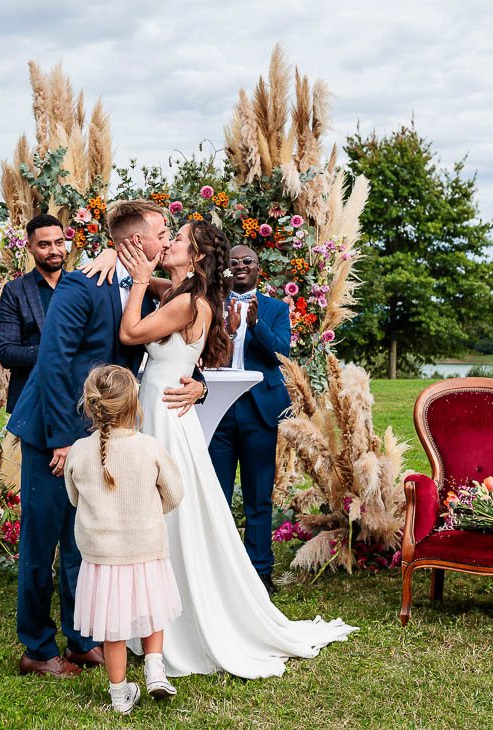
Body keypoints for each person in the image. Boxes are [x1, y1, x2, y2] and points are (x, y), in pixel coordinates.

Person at [115, 220, 357, 679]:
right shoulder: (187, 292)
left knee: (173, 512)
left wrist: (141, 280)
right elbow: (161, 283)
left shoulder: (190, 301)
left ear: (199, 255)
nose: (169, 243)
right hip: (168, 407)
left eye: (179, 239)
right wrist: (122, 259)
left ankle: (179, 616)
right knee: (185, 508)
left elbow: (130, 334)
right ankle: (155, 613)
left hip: (168, 412)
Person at [5, 200, 204, 678]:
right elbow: (53, 362)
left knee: (84, 541)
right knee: (42, 542)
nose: (167, 238)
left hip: (101, 435)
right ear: (137, 242)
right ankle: (36, 646)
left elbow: (176, 345)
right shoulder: (80, 285)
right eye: (162, 231)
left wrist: (200, 383)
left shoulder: (145, 288)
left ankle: (80, 639)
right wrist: (59, 441)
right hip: (55, 432)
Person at [65, 365, 184, 714]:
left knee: (112, 628)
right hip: (145, 548)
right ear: (134, 404)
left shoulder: (78, 450)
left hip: (102, 556)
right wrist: (149, 508)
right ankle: (155, 670)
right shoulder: (148, 447)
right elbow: (174, 494)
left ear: (91, 406)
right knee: (152, 611)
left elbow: (74, 498)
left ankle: (119, 697)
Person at [209, 245, 292, 594]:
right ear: (226, 270)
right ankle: (219, 568)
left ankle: (260, 571)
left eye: (248, 262)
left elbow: (280, 355)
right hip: (219, 410)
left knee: (259, 495)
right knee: (216, 494)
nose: (240, 266)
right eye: (234, 263)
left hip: (260, 411)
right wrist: (228, 330)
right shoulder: (212, 305)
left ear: (259, 269)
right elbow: (205, 353)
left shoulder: (276, 308)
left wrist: (255, 326)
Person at [0, 214, 66, 413]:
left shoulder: (81, 285)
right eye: (44, 245)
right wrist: (55, 351)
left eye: (59, 242)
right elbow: (7, 353)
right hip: (33, 401)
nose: (54, 251)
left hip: (77, 398)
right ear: (29, 248)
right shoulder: (14, 291)